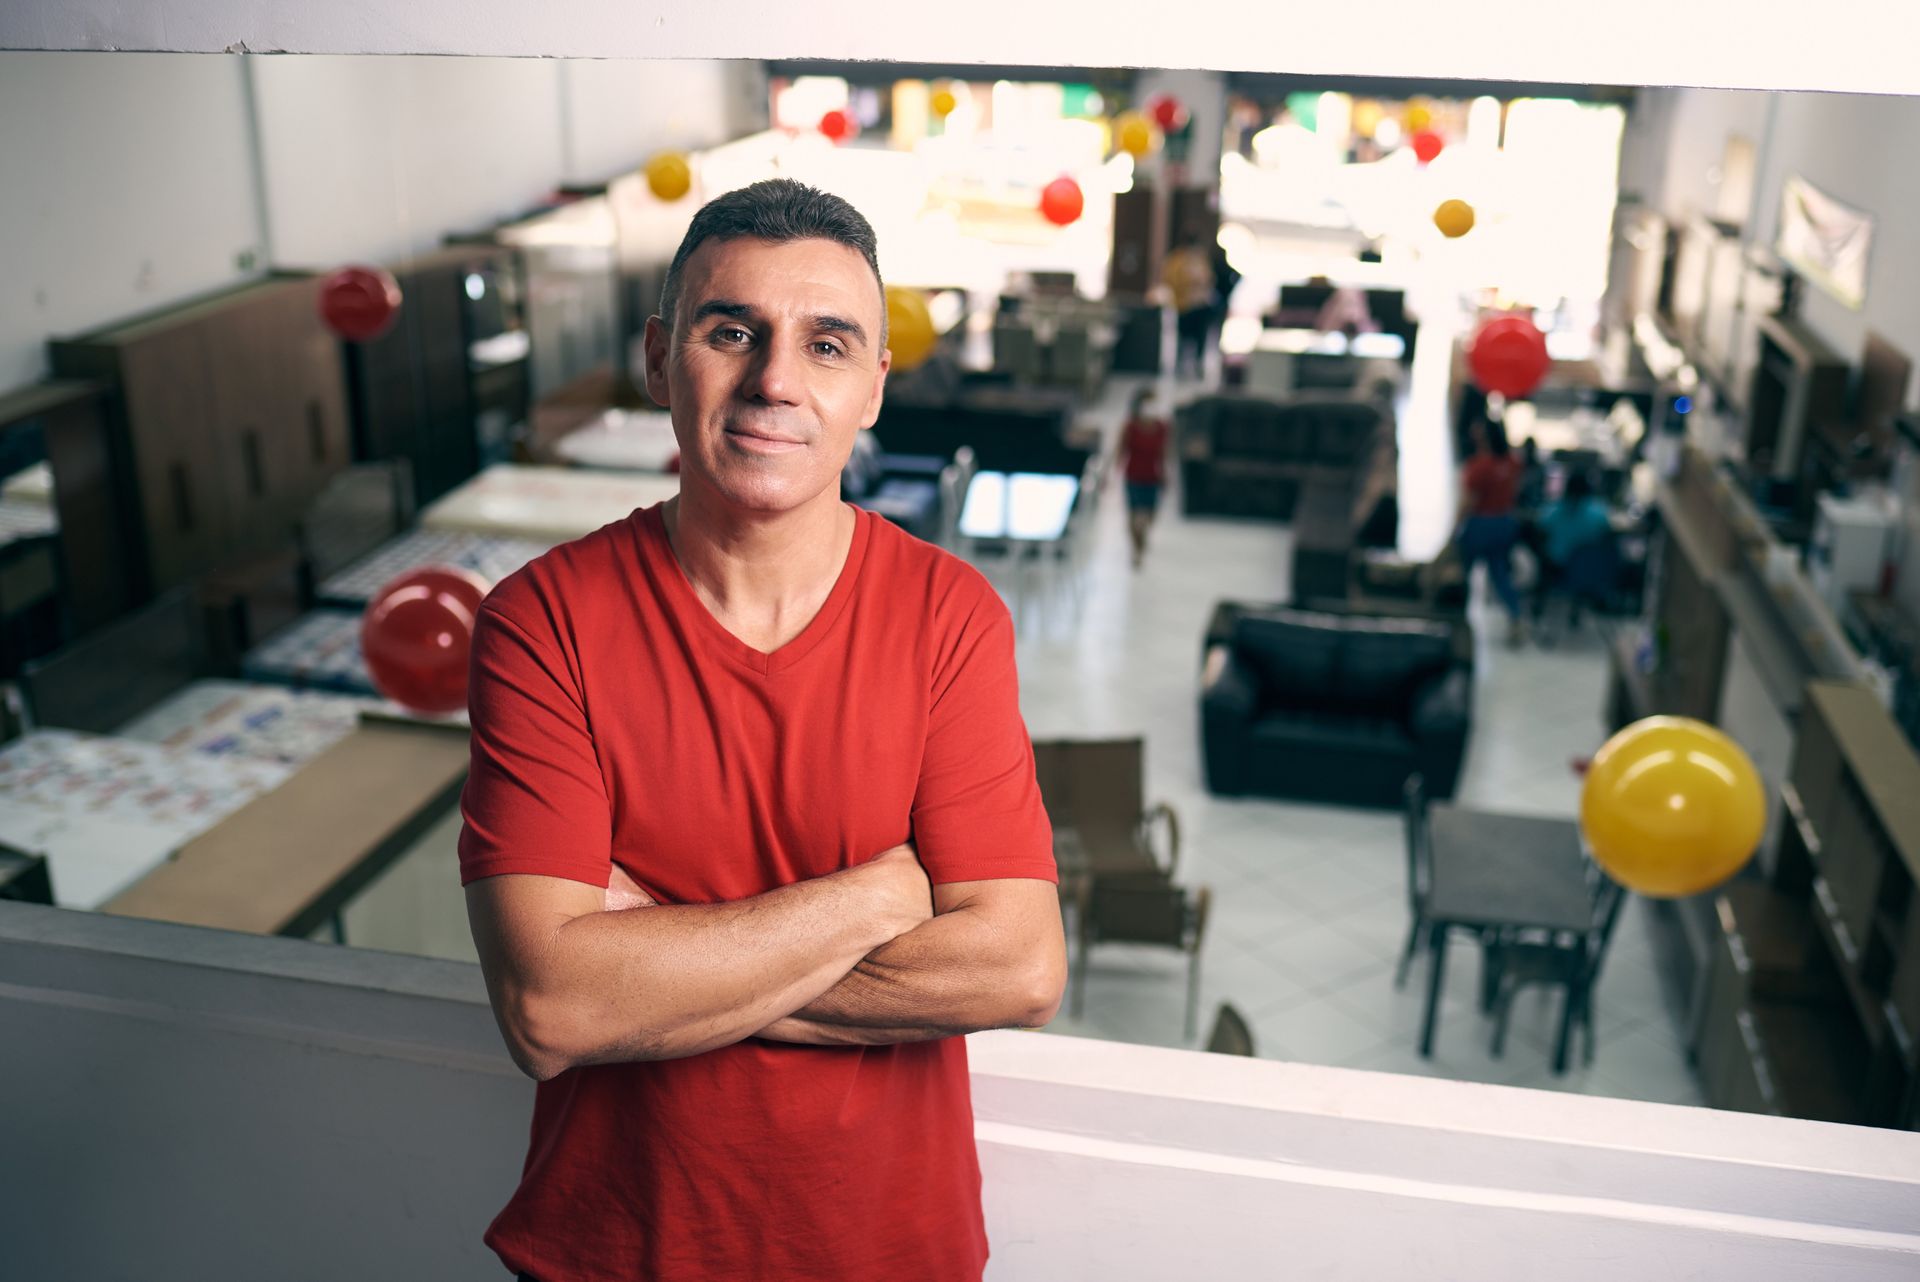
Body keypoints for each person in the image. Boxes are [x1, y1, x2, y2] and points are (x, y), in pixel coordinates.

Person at [459, 179, 1067, 1282]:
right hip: (611, 1252)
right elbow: (552, 1006)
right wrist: (881, 894)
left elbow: (1018, 967)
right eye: (730, 331)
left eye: (827, 344)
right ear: (658, 358)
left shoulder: (949, 617)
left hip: (889, 1253)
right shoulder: (543, 622)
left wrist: (655, 964)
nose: (775, 381)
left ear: (874, 387)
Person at [1457, 417, 1526, 646]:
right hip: (1504, 522)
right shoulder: (1512, 463)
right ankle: (1515, 617)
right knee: (1500, 574)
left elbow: (1469, 502)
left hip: (1481, 524)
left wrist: (1456, 526)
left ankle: (1457, 617)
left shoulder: (1478, 467)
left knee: (1462, 572)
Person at [1532, 468, 1615, 626]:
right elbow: (1606, 529)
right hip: (1587, 569)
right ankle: (1577, 607)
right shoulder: (1598, 514)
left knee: (1541, 556)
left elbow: (1540, 525)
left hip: (1558, 567)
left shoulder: (1555, 512)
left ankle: (1538, 605)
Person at [1117, 388, 1172, 567]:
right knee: (1135, 517)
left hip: (1153, 478)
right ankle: (1137, 550)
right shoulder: (1130, 426)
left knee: (1149, 517)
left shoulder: (1162, 427)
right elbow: (1119, 450)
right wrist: (1111, 474)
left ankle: (1141, 541)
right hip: (1133, 476)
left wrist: (1166, 475)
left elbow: (1165, 453)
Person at [1163, 234, 1216, 380]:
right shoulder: (1177, 260)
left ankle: (1197, 364)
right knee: (1183, 336)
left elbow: (1209, 278)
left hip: (1200, 305)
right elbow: (1171, 280)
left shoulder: (1200, 260)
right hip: (1184, 305)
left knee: (1200, 336)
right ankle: (1181, 365)